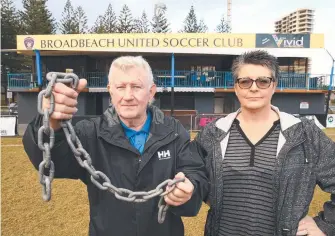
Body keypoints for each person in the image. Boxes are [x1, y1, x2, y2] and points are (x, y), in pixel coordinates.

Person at [23, 56, 208, 236]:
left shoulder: (174, 132)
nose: (128, 96)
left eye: (136, 86)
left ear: (151, 91)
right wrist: (51, 121)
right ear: (110, 91)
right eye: (120, 87)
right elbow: (50, 162)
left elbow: (194, 170)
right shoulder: (90, 133)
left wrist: (189, 187)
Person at [193, 50, 335, 236]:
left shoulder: (305, 134)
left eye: (263, 81)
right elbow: (192, 175)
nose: (254, 88)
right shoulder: (212, 134)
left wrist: (325, 225)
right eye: (245, 81)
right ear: (236, 87)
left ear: (273, 85)